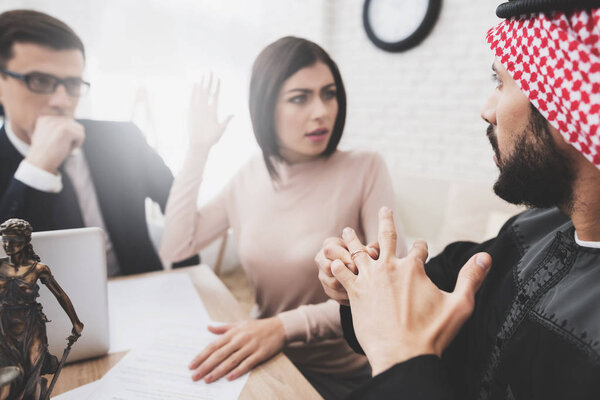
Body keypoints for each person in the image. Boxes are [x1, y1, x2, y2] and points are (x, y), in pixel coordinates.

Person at [315, 1, 600, 399]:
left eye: (502, 83)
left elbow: (409, 352)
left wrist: (402, 363)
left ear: (572, 102)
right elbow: (438, 289)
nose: (487, 111)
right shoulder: (532, 227)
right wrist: (365, 286)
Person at [160, 37, 406, 399]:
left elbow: (388, 289)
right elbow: (176, 245)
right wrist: (197, 149)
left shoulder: (365, 168)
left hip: (344, 371)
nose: (321, 111)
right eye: (299, 98)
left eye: (329, 93)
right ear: (265, 107)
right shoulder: (249, 175)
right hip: (265, 357)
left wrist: (282, 327)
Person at [0, 9, 197, 277]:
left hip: (140, 290)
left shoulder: (122, 139)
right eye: (40, 81)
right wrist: (38, 167)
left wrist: (186, 279)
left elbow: (180, 209)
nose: (61, 101)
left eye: (72, 84)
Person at [0, 218, 83, 400]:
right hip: (4, 330)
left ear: (25, 241)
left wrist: (76, 322)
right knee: (10, 378)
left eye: (13, 240)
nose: (7, 244)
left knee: (31, 372)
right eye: (4, 239)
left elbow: (60, 295)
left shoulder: (38, 269)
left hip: (31, 328)